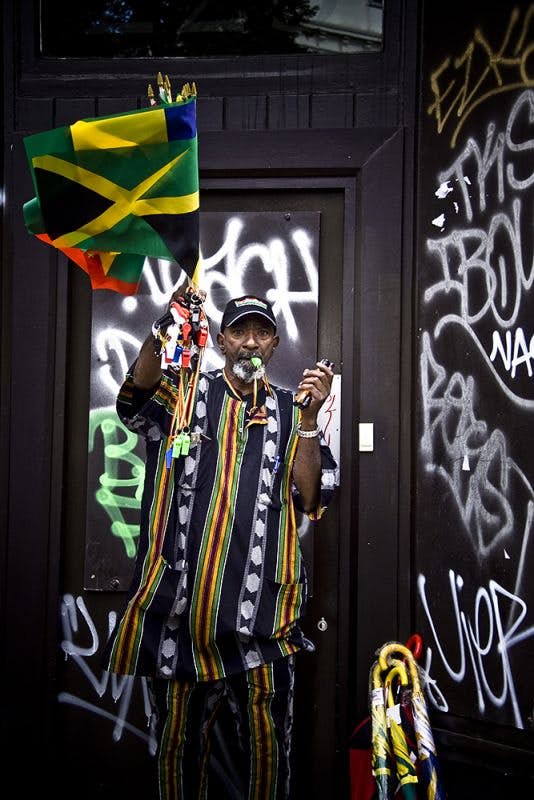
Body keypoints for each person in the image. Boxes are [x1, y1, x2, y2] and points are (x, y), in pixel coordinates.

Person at [103, 285, 338, 799]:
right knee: (177, 752)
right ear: (222, 343)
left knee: (267, 754)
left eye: (261, 333)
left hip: (262, 623)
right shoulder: (186, 394)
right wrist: (164, 327)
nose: (251, 343)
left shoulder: (293, 409)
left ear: (275, 344)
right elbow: (135, 399)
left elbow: (310, 495)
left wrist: (306, 420)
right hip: (181, 618)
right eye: (239, 332)